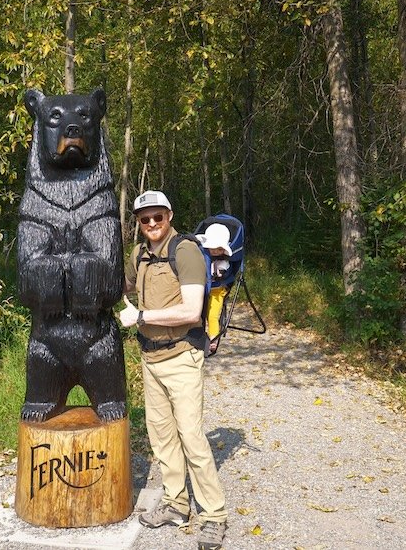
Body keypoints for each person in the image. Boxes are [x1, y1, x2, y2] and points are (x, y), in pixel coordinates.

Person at [119, 190, 227, 550]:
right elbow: (126, 286)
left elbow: (192, 311)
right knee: (161, 438)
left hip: (182, 357)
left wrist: (141, 316)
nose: (152, 224)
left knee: (192, 439)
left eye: (157, 217)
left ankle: (214, 516)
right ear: (139, 222)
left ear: (169, 215)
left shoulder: (186, 251)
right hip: (150, 359)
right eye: (144, 219)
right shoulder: (139, 254)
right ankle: (177, 504)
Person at [195, 223, 232, 354]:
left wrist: (219, 273)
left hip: (217, 292)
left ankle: (213, 338)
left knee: (212, 316)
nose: (216, 251)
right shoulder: (202, 257)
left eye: (219, 248)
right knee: (198, 314)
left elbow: (222, 273)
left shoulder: (223, 263)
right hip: (203, 290)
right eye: (213, 247)